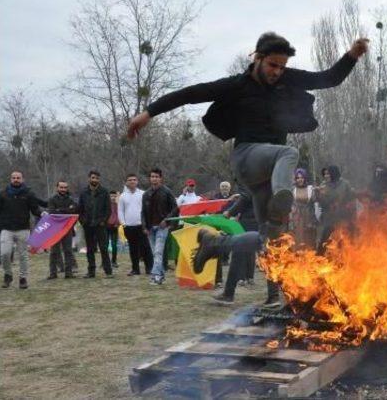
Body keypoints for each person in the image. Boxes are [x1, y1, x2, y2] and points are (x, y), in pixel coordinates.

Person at [128, 32, 368, 306]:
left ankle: (257, 282)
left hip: (270, 171)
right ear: (258, 58)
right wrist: (147, 113)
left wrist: (352, 55)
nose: (277, 72)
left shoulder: (286, 79)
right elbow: (190, 94)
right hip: (247, 158)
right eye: (272, 65)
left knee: (274, 238)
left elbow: (328, 79)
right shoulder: (237, 85)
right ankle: (282, 196)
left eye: (282, 66)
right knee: (289, 153)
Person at [0, 171, 43, 289]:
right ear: (10, 179)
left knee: (23, 255)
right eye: (14, 178)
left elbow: (35, 209)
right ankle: (8, 274)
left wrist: (42, 213)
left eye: (18, 178)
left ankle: (23, 278)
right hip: (6, 229)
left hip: (23, 229)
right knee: (4, 254)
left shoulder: (28, 194)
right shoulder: (2, 194)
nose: (16, 180)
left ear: (22, 179)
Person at [141, 168, 177, 285]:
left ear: (160, 178)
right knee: (155, 253)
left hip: (162, 227)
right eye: (152, 176)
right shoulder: (146, 194)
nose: (154, 179)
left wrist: (166, 221)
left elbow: (175, 208)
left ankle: (155, 276)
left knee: (158, 252)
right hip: (150, 227)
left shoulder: (167, 192)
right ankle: (160, 275)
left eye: (156, 176)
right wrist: (144, 227)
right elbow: (143, 212)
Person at [78, 170, 113, 279]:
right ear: (89, 178)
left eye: (97, 178)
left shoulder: (104, 192)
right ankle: (91, 271)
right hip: (88, 225)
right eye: (93, 178)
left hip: (100, 225)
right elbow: (80, 209)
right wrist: (83, 221)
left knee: (103, 248)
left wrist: (103, 221)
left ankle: (108, 271)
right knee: (90, 249)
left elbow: (108, 210)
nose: (95, 180)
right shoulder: (83, 192)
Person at [315, 166, 355, 254]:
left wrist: (348, 211)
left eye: (328, 174)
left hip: (343, 217)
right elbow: (322, 204)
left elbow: (351, 199)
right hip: (329, 217)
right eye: (325, 174)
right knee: (325, 239)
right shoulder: (323, 185)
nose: (326, 176)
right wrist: (318, 195)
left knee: (344, 240)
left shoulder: (345, 184)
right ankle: (319, 258)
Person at [118, 174, 153, 276]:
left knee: (146, 247)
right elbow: (120, 211)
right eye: (130, 180)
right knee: (133, 249)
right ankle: (135, 269)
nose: (132, 181)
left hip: (141, 225)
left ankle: (149, 268)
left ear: (137, 181)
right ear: (126, 182)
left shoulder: (143, 194)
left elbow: (147, 210)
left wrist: (146, 223)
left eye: (134, 180)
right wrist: (123, 224)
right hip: (129, 226)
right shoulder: (123, 196)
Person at [46, 180, 78, 279]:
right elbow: (51, 212)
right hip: (55, 229)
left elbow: (74, 211)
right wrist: (66, 210)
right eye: (61, 187)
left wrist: (60, 210)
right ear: (57, 188)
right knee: (54, 251)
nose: (63, 189)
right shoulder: (52, 199)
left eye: (65, 187)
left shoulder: (71, 199)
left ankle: (69, 273)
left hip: (67, 229)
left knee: (68, 250)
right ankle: (53, 273)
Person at [290, 168, 317, 248]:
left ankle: (310, 257)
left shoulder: (310, 189)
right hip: (297, 218)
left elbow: (316, 202)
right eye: (298, 178)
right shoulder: (293, 190)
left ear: (305, 178)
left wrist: (317, 193)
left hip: (308, 216)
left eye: (301, 177)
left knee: (309, 238)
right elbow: (291, 206)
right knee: (298, 238)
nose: (300, 180)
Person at [107, 191, 120, 268]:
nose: (113, 198)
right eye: (111, 196)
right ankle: (105, 261)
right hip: (106, 226)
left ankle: (114, 261)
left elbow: (120, 215)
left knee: (114, 244)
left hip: (114, 226)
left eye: (114, 196)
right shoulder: (106, 205)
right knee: (104, 245)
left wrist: (117, 223)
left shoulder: (118, 205)